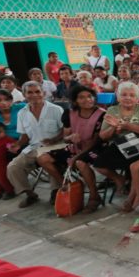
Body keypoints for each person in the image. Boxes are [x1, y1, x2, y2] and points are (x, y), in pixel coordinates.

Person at [38, 85, 106, 213]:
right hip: (75, 147)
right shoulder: (69, 113)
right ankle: (67, 184)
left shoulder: (101, 114)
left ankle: (94, 195)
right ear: (75, 101)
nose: (87, 100)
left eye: (90, 96)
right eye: (82, 97)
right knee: (43, 158)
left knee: (80, 162)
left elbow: (97, 141)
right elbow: (65, 137)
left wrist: (76, 157)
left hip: (95, 148)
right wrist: (70, 137)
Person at [6, 81, 66, 208]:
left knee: (47, 158)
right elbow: (24, 136)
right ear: (24, 94)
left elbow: (65, 130)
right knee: (13, 167)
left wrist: (54, 139)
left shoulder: (56, 109)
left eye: (37, 91)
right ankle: (30, 194)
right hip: (33, 147)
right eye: (30, 92)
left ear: (43, 93)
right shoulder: (22, 113)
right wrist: (17, 144)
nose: (34, 95)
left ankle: (56, 190)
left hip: (55, 146)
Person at [93, 82, 139, 195]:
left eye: (132, 95)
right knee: (99, 165)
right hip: (119, 146)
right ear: (118, 97)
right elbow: (103, 136)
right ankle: (119, 180)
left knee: (135, 165)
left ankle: (135, 193)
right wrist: (113, 127)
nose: (128, 98)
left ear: (137, 98)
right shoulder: (112, 110)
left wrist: (126, 125)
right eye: (124, 94)